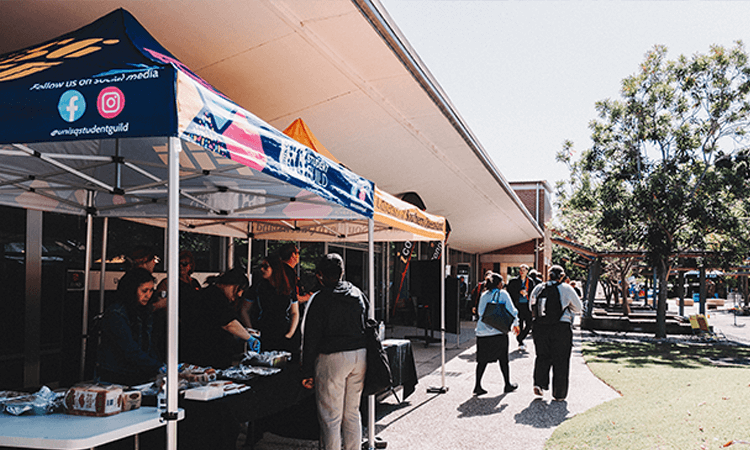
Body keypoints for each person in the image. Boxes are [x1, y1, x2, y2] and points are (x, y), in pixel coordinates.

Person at [301, 253, 368, 450]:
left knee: (331, 417)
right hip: (360, 355)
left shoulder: (319, 299)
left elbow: (310, 337)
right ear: (342, 272)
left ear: (320, 275)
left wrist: (307, 371)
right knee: (352, 412)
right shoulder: (357, 293)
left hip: (332, 358)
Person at [181, 268, 260, 369]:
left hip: (210, 353)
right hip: (206, 353)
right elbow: (229, 323)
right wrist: (249, 338)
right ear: (231, 284)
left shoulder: (214, 294)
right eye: (240, 290)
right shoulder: (214, 297)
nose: (240, 295)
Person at [96, 268, 164, 386]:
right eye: (144, 291)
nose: (148, 295)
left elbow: (149, 344)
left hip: (137, 375)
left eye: (151, 290)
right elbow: (129, 349)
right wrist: (158, 366)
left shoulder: (144, 311)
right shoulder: (116, 313)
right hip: (115, 377)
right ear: (131, 290)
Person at [529, 264, 583, 401]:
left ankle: (539, 383)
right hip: (560, 328)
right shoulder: (566, 288)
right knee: (561, 360)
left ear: (548, 275)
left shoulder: (538, 288)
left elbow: (531, 306)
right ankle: (559, 393)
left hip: (540, 328)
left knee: (542, 356)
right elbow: (578, 308)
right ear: (562, 276)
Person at [244, 254, 301, 360]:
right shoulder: (257, 287)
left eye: (265, 266)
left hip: (283, 334)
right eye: (261, 266)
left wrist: (290, 333)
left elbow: (295, 312)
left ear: (274, 268)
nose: (262, 269)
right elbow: (244, 310)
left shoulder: (288, 288)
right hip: (263, 334)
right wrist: (252, 332)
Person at [150, 250, 202, 360]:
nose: (181, 266)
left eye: (184, 264)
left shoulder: (194, 282)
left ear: (190, 265)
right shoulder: (168, 282)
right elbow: (162, 302)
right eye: (178, 263)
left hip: (194, 324)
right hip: (176, 325)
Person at [473, 272, 519, 396]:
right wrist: (516, 323)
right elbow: (512, 310)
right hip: (498, 331)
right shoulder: (503, 294)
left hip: (482, 332)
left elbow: (480, 313)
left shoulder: (484, 295)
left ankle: (477, 385)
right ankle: (507, 384)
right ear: (499, 283)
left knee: (482, 361)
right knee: (503, 360)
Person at [506, 264, 536, 350]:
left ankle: (520, 338)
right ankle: (520, 342)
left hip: (527, 305)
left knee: (529, 324)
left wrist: (528, 294)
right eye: (520, 270)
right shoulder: (514, 281)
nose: (522, 272)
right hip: (518, 305)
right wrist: (519, 292)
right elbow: (510, 292)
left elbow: (533, 292)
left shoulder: (530, 281)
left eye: (524, 270)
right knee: (520, 323)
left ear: (527, 271)